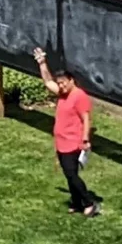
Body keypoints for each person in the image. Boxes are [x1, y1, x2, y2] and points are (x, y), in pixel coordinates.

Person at [33, 46, 99, 217]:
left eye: (63, 83)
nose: (60, 86)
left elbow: (86, 119)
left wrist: (85, 139)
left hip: (73, 143)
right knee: (70, 175)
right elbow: (48, 82)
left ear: (72, 81)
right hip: (61, 142)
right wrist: (42, 63)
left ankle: (89, 203)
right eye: (59, 83)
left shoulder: (79, 96)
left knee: (71, 175)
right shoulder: (63, 93)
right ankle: (76, 203)